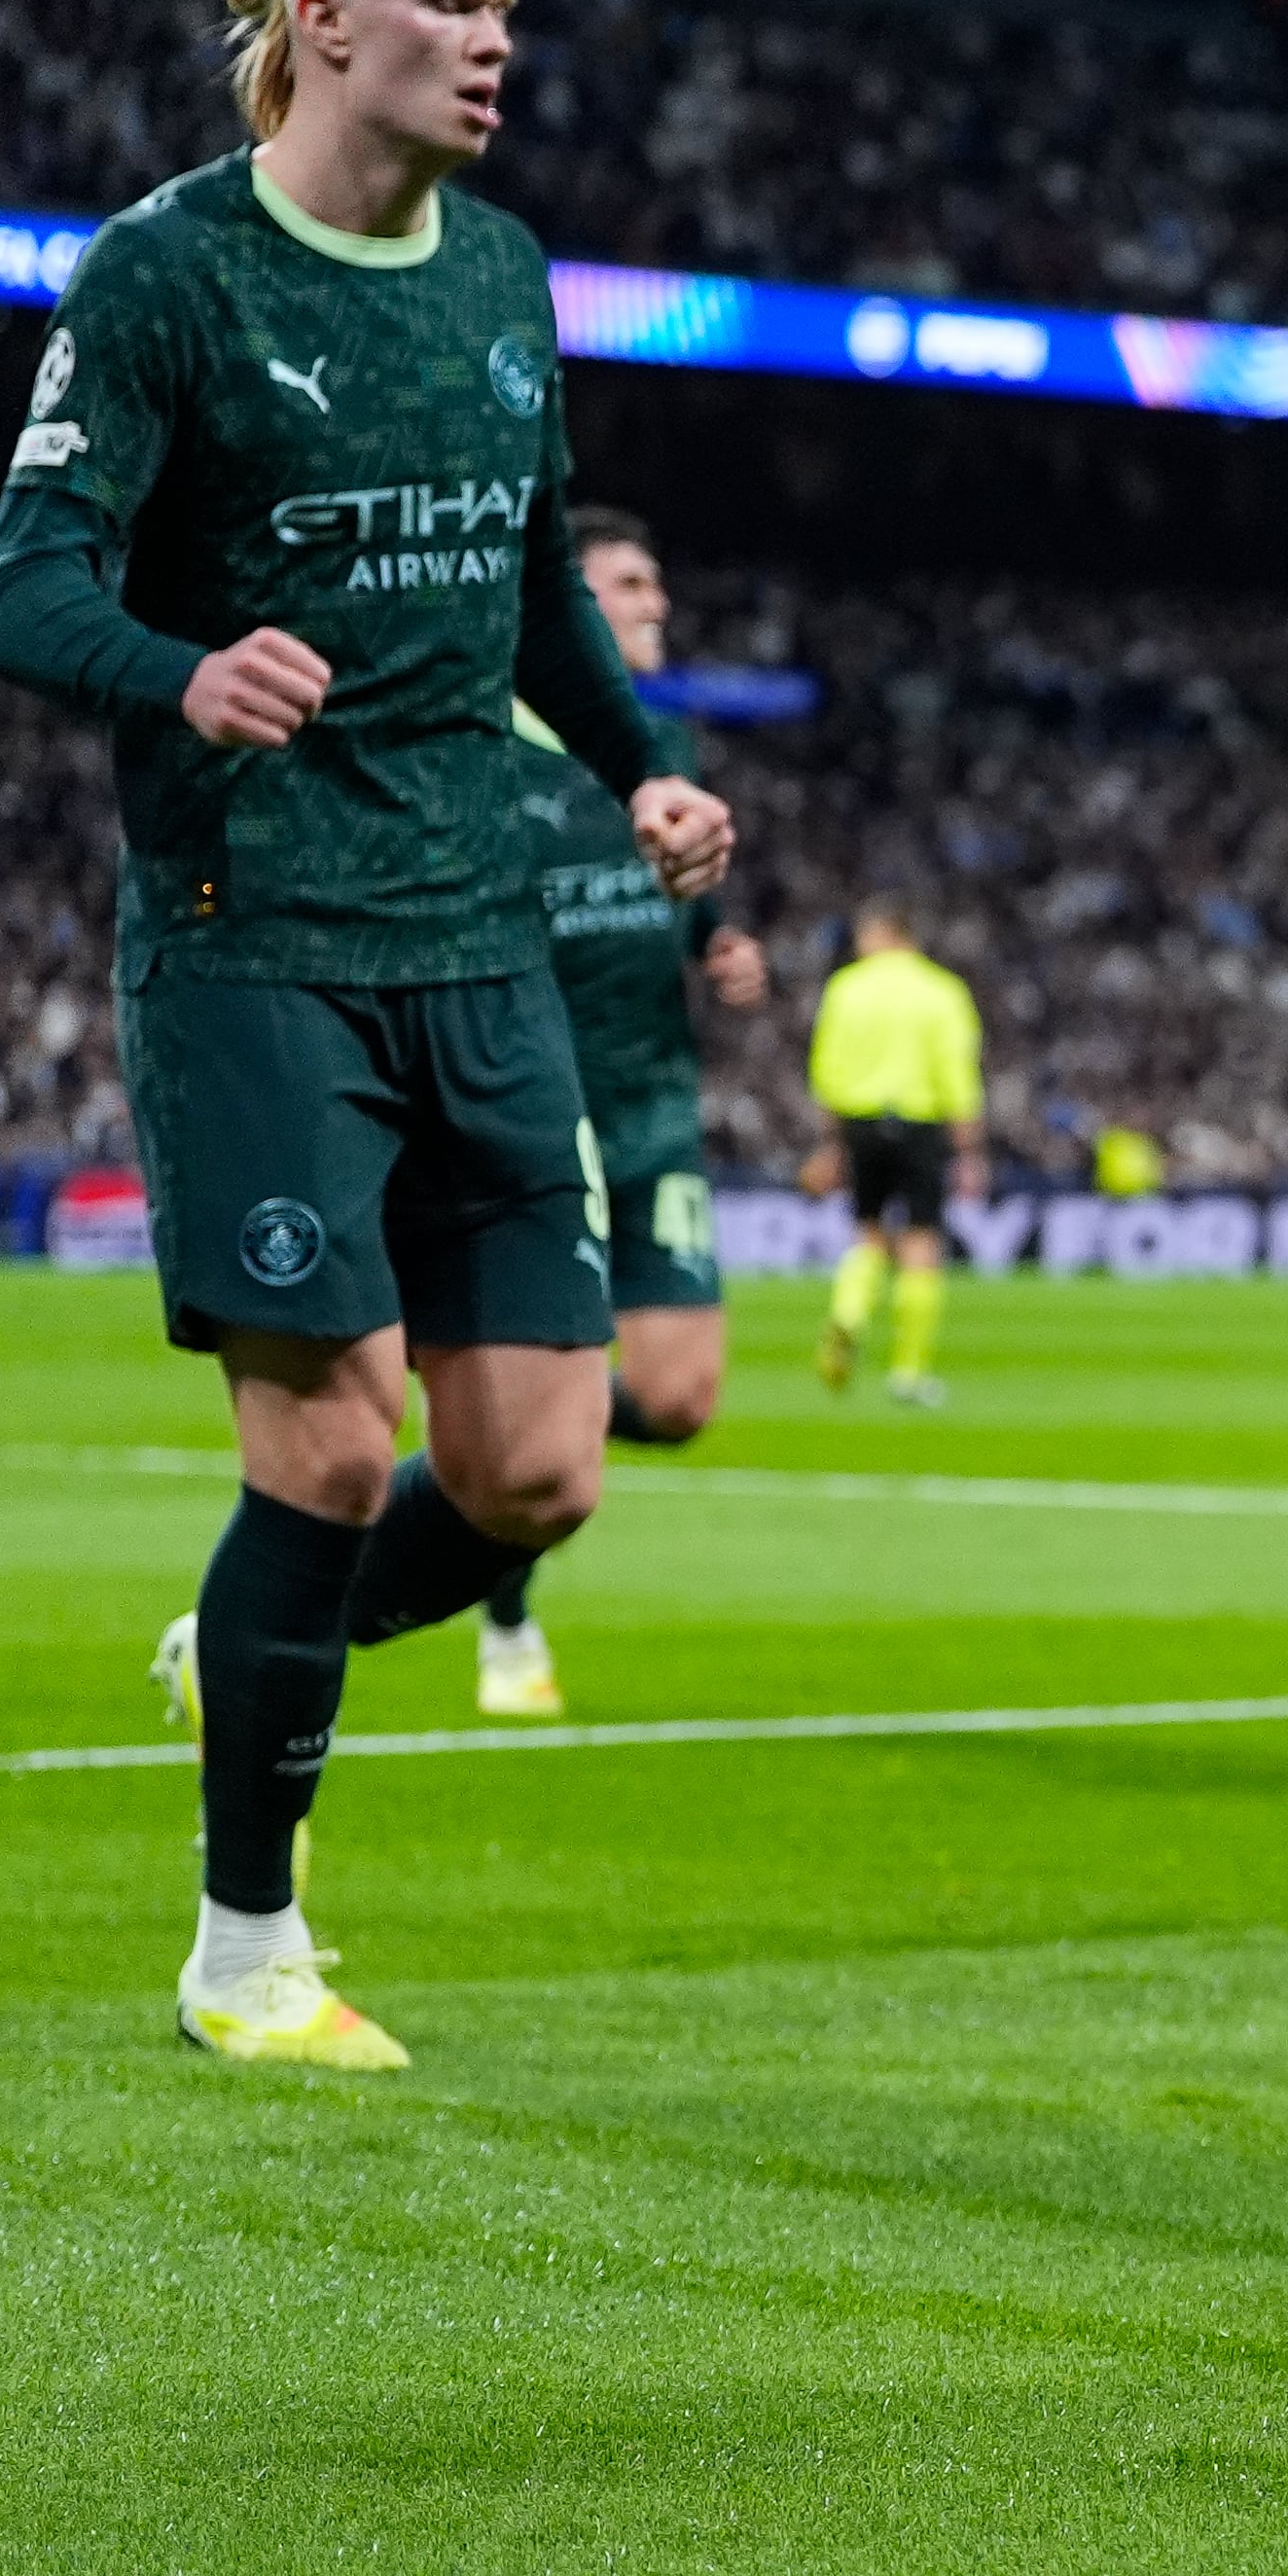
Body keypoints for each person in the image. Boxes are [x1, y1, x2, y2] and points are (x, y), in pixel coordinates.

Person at [0, 0, 733, 2069]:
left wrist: (644, 768)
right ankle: (246, 1955)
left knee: (534, 1474)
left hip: (477, 928)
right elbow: (23, 585)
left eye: (509, 5)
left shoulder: (502, 273)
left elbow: (538, 597)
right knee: (320, 1452)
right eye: (454, 2)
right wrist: (177, 669)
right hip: (251, 934)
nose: (499, 39)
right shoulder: (166, 277)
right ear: (319, 20)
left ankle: (253, 1637)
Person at [459, 506, 770, 1716]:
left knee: (680, 1398)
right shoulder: (484, 751)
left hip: (652, 1108)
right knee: (557, 1413)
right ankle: (503, 1605)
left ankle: (472, 1473)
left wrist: (719, 947)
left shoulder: (665, 742)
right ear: (569, 607)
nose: (658, 604)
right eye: (631, 584)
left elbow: (676, 905)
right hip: (537, 1116)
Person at [805, 904, 983, 1406]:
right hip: (921, 1122)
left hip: (860, 1122)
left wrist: (830, 1144)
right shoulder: (942, 991)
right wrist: (969, 1149)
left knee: (868, 1233)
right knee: (922, 1241)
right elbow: (958, 1073)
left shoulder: (846, 988)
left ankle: (848, 1314)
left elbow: (826, 1071)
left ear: (884, 934)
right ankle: (908, 1371)